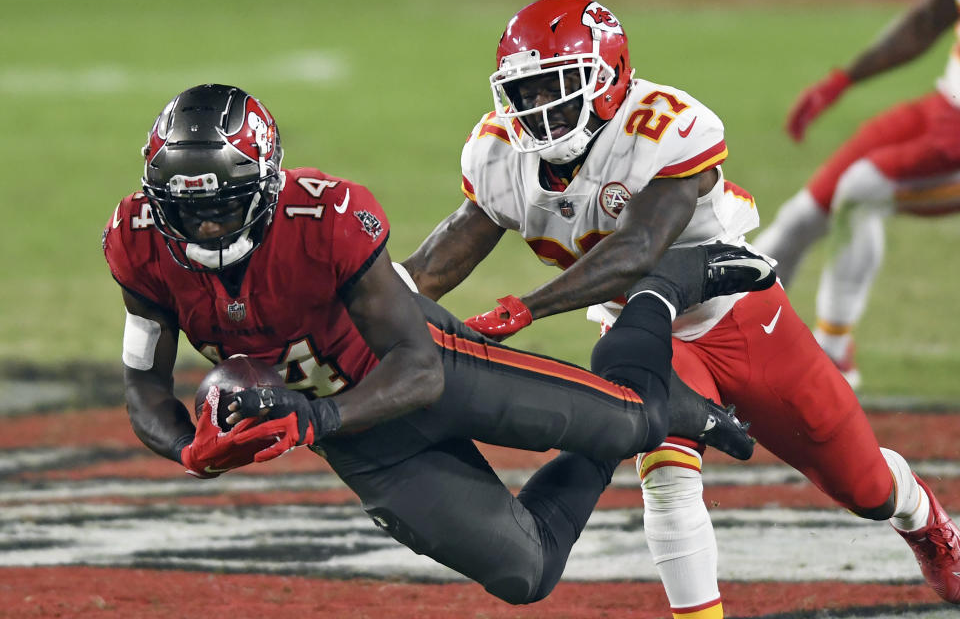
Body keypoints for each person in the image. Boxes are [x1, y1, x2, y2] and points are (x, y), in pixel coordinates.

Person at [400, 0, 960, 617]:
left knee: (864, 484)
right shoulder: (500, 153)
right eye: (525, 92)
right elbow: (433, 265)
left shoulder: (663, 125)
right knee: (666, 478)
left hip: (735, 314)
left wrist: (527, 308)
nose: (538, 109)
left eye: (554, 86)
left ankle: (925, 521)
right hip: (644, 327)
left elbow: (639, 248)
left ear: (607, 77)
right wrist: (370, 298)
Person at [101, 83, 767, 605]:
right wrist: (190, 448)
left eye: (223, 202)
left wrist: (316, 418)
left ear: (268, 187)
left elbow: (417, 366)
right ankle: (618, 427)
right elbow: (144, 386)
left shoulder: (324, 217)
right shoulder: (137, 243)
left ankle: (675, 288)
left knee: (631, 417)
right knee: (525, 573)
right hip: (362, 437)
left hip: (425, 368)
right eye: (186, 208)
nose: (207, 223)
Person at [753, 0, 960, 388]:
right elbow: (929, 19)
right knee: (804, 214)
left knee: (861, 191)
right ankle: (730, 325)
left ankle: (833, 355)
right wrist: (841, 81)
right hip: (943, 107)